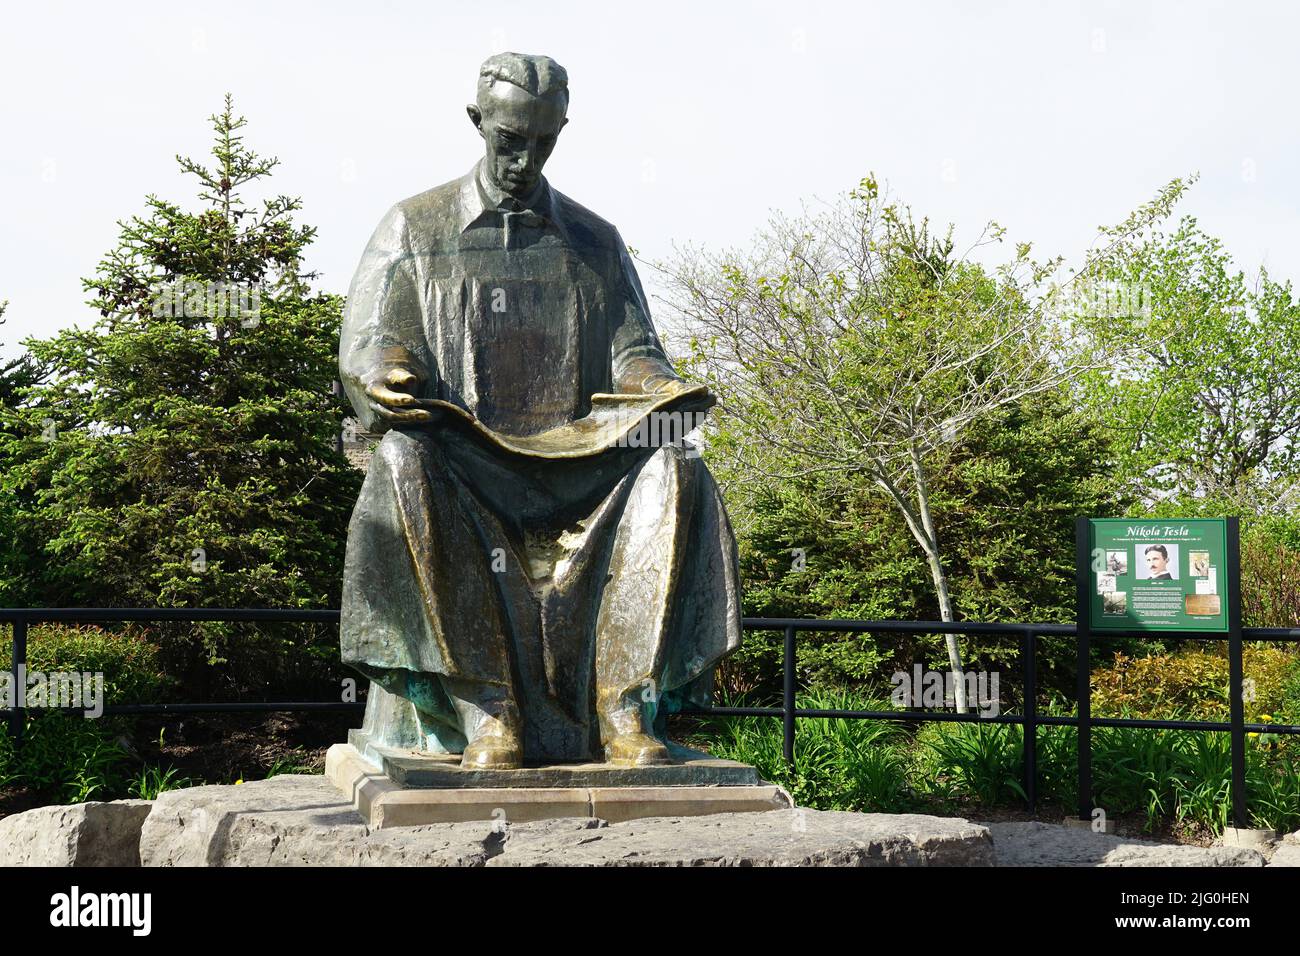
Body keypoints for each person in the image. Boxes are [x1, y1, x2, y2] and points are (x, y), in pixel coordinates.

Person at [337, 53, 742, 770]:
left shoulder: (594, 240)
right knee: (401, 457)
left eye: (543, 140)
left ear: (560, 130)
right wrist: (384, 373)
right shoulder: (413, 226)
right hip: (464, 465)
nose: (524, 158)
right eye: (508, 139)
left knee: (675, 462)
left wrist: (659, 390)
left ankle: (623, 705)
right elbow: (375, 339)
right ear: (477, 123)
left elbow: (636, 353)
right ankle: (486, 706)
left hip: (579, 473)